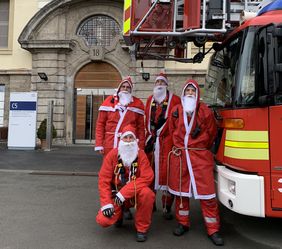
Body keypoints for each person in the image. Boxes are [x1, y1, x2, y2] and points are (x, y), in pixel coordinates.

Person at [168, 79, 224, 246]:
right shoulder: (176, 111)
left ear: (197, 93)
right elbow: (172, 131)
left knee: (207, 195)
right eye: (187, 91)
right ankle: (182, 223)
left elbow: (212, 133)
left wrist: (199, 147)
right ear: (183, 94)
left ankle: (213, 229)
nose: (190, 93)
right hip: (181, 156)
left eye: (193, 91)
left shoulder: (205, 111)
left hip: (200, 156)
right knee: (181, 193)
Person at [96, 125, 155, 242]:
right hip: (116, 194)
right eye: (125, 138)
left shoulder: (141, 154)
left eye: (131, 138)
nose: (128, 141)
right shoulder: (112, 155)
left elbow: (148, 177)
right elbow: (103, 180)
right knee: (103, 220)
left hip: (134, 194)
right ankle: (119, 215)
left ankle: (142, 229)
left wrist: (124, 193)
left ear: (135, 140)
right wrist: (106, 203)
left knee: (147, 194)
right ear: (120, 140)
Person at [144, 72, 181, 219]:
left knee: (168, 175)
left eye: (162, 83)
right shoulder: (149, 100)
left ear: (166, 85)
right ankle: (150, 203)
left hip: (168, 143)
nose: (159, 85)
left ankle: (167, 207)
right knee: (149, 175)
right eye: (157, 82)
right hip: (152, 143)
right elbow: (146, 119)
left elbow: (179, 124)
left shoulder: (175, 100)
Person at [95, 76, 145, 156]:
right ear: (119, 88)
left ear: (131, 90)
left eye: (128, 87)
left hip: (129, 143)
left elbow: (141, 129)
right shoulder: (108, 102)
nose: (125, 89)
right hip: (110, 143)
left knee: (127, 166)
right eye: (123, 86)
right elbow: (100, 124)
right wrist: (99, 144)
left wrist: (141, 147)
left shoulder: (137, 104)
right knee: (109, 166)